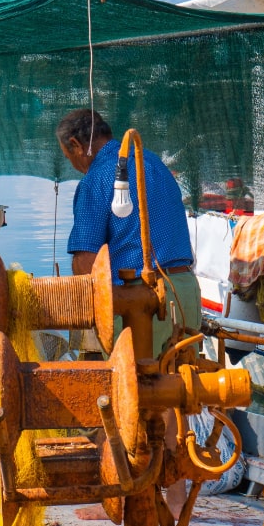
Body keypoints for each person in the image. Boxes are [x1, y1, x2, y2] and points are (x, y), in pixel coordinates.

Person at [57, 108, 201, 352]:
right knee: (185, 383)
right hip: (186, 292)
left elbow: (87, 264)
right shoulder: (154, 163)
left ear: (76, 144)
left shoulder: (97, 179)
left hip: (142, 304)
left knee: (135, 387)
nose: (74, 167)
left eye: (68, 157)